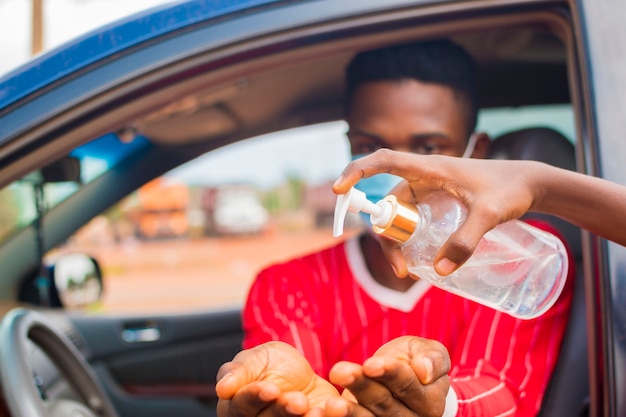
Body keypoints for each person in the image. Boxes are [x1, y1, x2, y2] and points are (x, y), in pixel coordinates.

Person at [216, 39, 575, 417]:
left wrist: (443, 405)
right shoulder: (288, 286)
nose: (390, 169)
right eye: (370, 145)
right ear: (350, 146)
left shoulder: (517, 259)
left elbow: (503, 389)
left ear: (476, 153)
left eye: (427, 149)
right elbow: (291, 385)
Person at [332, 150, 626, 275]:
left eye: (428, 147)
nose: (403, 165)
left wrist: (541, 186)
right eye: (369, 145)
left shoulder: (522, 254)